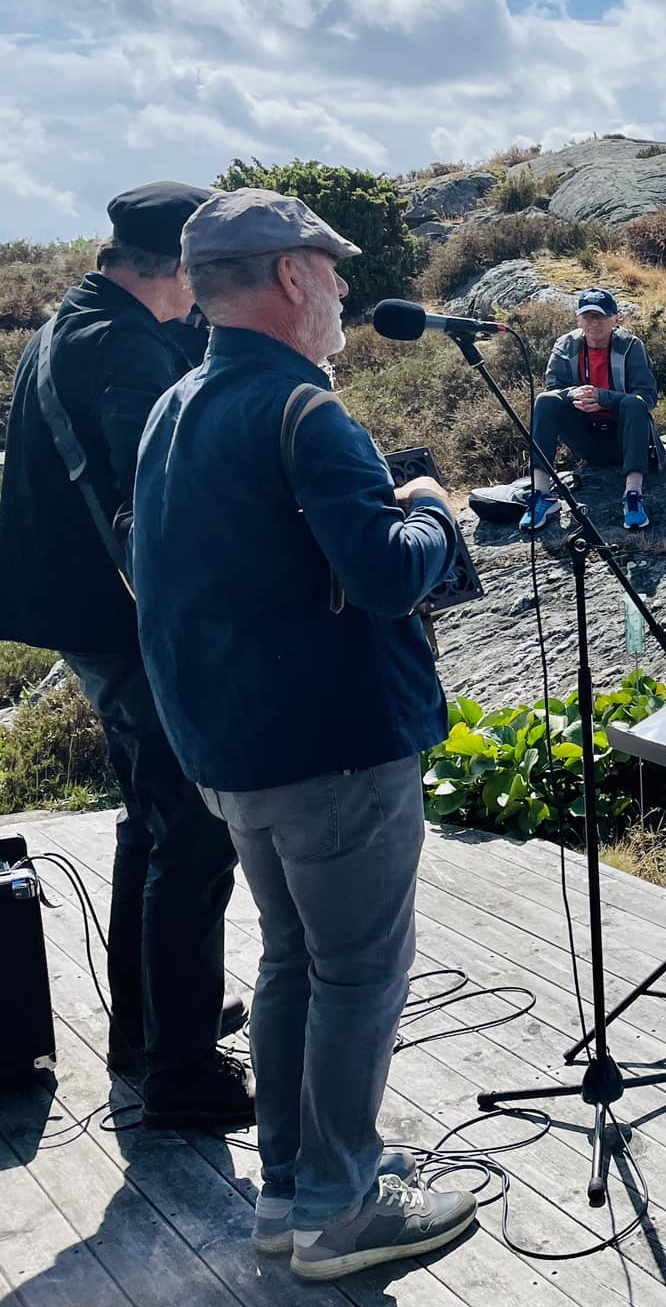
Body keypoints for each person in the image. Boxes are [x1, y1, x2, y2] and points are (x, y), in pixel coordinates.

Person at [131, 189, 475, 1279]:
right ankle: (337, 1211)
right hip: (335, 750)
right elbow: (383, 576)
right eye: (329, 269)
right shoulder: (305, 412)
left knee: (294, 961)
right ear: (288, 275)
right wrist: (434, 512)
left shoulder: (174, 407)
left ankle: (287, 1193)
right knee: (360, 975)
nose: (340, 288)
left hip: (232, 753)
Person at [0, 180, 249, 1129]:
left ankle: (150, 1027)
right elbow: (155, 499)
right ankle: (182, 1072)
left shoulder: (73, 320)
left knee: (150, 821)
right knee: (193, 830)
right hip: (129, 622)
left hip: (87, 616)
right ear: (180, 267)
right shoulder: (121, 347)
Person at [519, 286, 658, 532]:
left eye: (601, 316)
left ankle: (633, 495)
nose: (594, 323)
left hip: (625, 442)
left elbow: (647, 397)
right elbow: (554, 389)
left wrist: (604, 398)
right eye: (588, 316)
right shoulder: (565, 346)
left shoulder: (631, 346)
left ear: (616, 319)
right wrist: (574, 395)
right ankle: (541, 495)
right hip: (587, 441)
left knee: (634, 403)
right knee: (545, 400)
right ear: (578, 319)